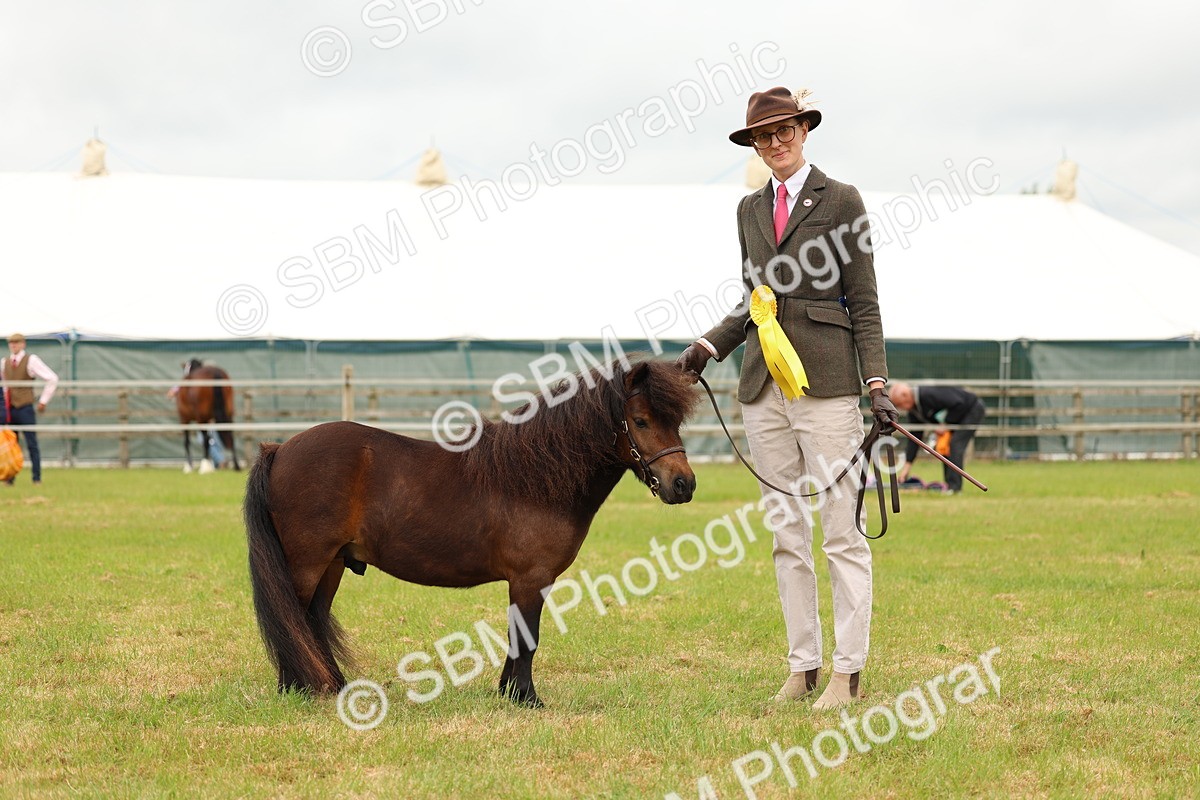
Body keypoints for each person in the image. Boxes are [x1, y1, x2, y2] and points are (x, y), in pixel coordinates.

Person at [676, 87, 898, 710]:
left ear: (804, 130)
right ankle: (804, 667)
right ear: (753, 143)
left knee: (841, 533)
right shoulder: (748, 209)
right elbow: (756, 302)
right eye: (762, 136)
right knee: (785, 534)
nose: (775, 143)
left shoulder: (842, 200)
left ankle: (847, 673)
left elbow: (866, 302)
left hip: (826, 387)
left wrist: (875, 382)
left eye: (784, 131)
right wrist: (707, 347)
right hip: (761, 388)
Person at [890, 383, 986, 494]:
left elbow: (958, 403)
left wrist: (946, 423)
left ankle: (955, 488)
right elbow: (915, 438)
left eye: (901, 404)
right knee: (944, 447)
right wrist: (907, 467)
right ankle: (949, 485)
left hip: (971, 409)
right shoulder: (914, 410)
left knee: (954, 445)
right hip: (957, 416)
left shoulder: (928, 395)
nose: (902, 408)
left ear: (905, 395)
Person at [2, 333, 59, 485]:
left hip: (25, 408)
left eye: (16, 342)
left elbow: (52, 378)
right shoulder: (5, 362)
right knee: (10, 445)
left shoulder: (31, 360)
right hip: (10, 408)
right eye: (11, 343)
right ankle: (9, 478)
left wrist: (43, 401)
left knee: (31, 443)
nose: (13, 345)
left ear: (23, 344)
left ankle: (36, 477)